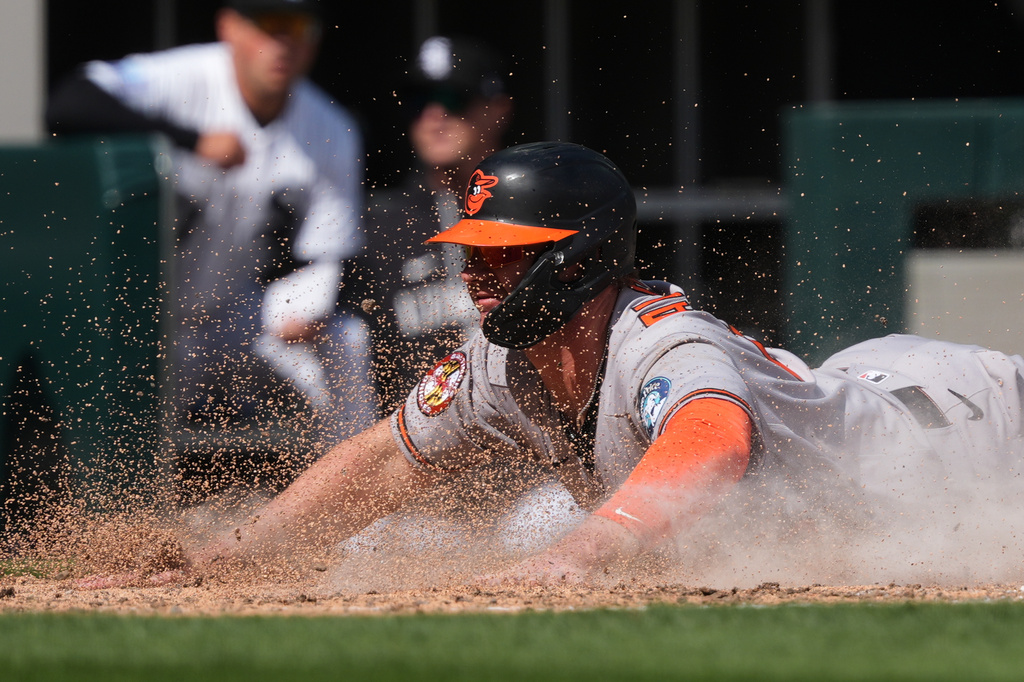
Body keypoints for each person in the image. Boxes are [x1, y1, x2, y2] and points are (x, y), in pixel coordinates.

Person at [81, 141, 1024, 589]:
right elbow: (379, 462)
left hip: (958, 420)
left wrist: (578, 554)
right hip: (864, 389)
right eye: (476, 249)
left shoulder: (658, 337)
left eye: (505, 250)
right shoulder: (503, 362)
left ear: (578, 257)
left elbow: (713, 436)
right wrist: (221, 562)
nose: (478, 271)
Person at [45, 0, 374, 442]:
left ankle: (361, 494)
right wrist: (192, 139)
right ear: (230, 26)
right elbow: (68, 103)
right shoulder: (186, 75)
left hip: (239, 319)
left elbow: (331, 250)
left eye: (296, 26)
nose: (282, 42)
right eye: (267, 24)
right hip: (151, 320)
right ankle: (115, 503)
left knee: (344, 338)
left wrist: (309, 307)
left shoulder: (331, 125)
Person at [347, 35, 514, 414]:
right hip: (421, 442)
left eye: (455, 99)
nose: (433, 116)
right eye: (418, 102)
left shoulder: (536, 211)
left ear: (498, 108)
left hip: (531, 437)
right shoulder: (380, 225)